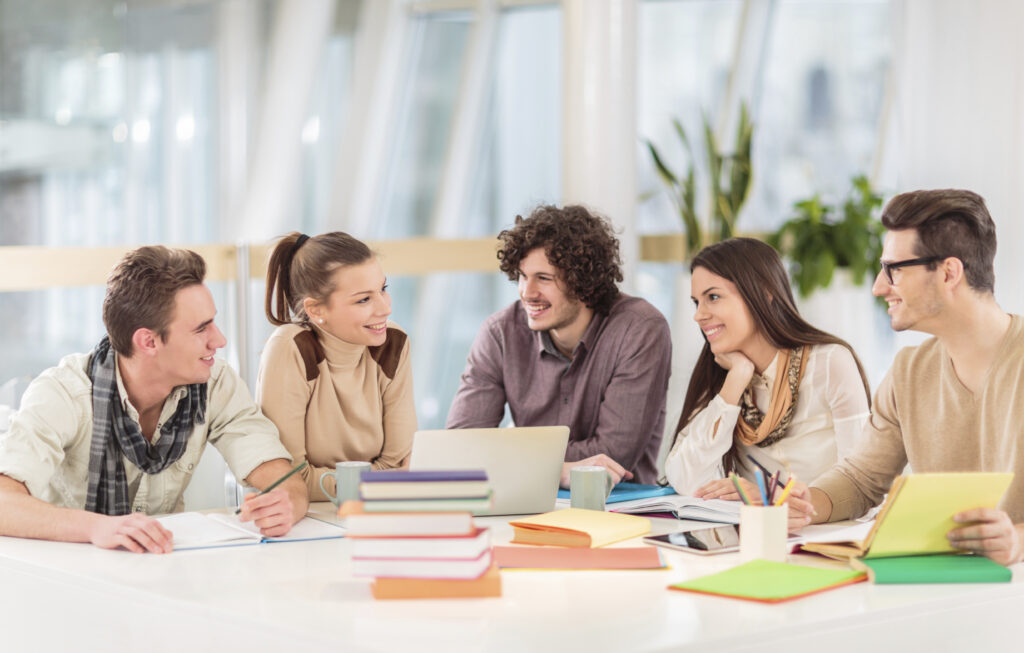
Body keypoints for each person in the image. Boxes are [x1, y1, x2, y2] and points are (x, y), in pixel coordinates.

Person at [0, 246, 307, 553]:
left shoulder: (215, 383)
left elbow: (285, 480)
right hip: (70, 573)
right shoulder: (64, 393)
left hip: (164, 566)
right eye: (201, 328)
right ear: (148, 341)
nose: (220, 340)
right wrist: (96, 526)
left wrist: (286, 503)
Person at [785, 189, 1024, 565]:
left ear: (949, 272)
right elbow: (862, 478)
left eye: (894, 269)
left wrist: (1019, 542)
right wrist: (802, 504)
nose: (880, 286)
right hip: (936, 588)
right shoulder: (908, 372)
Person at [446, 205, 672, 486]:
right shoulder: (500, 333)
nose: (527, 293)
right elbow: (460, 449)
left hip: (618, 510)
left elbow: (612, 456)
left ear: (583, 283)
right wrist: (560, 469)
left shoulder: (639, 329)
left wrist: (507, 453)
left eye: (543, 278)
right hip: (528, 506)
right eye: (522, 276)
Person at [663, 238, 871, 501]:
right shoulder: (722, 373)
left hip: (829, 535)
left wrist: (771, 498)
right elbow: (685, 479)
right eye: (697, 302)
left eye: (713, 297)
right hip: (756, 536)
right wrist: (736, 379)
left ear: (763, 292)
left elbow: (861, 484)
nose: (699, 315)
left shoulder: (830, 363)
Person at [257, 232, 415, 502]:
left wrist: (371, 483)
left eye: (383, 290)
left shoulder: (394, 342)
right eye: (364, 299)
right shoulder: (289, 348)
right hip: (306, 518)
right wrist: (380, 483)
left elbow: (399, 463)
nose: (385, 308)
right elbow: (290, 478)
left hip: (375, 511)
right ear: (316, 310)